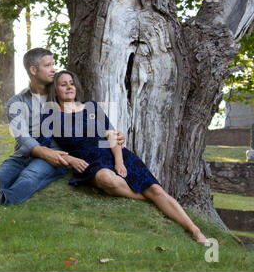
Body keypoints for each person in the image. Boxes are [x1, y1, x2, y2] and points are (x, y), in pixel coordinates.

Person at [35, 70, 210, 245]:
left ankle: (195, 231)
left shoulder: (92, 107)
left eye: (71, 83)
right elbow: (43, 147)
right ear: (55, 91)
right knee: (107, 179)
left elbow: (112, 135)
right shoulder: (51, 115)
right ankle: (152, 201)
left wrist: (119, 161)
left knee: (156, 190)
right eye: (63, 84)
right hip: (89, 162)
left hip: (113, 154)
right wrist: (71, 160)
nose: (69, 87)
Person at [0, 48, 127, 207]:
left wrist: (113, 137)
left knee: (31, 175)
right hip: (24, 153)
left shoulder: (61, 95)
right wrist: (42, 152)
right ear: (34, 70)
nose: (53, 69)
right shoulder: (17, 102)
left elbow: (86, 123)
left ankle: (4, 198)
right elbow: (22, 137)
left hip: (56, 155)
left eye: (53, 65)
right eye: (48, 65)